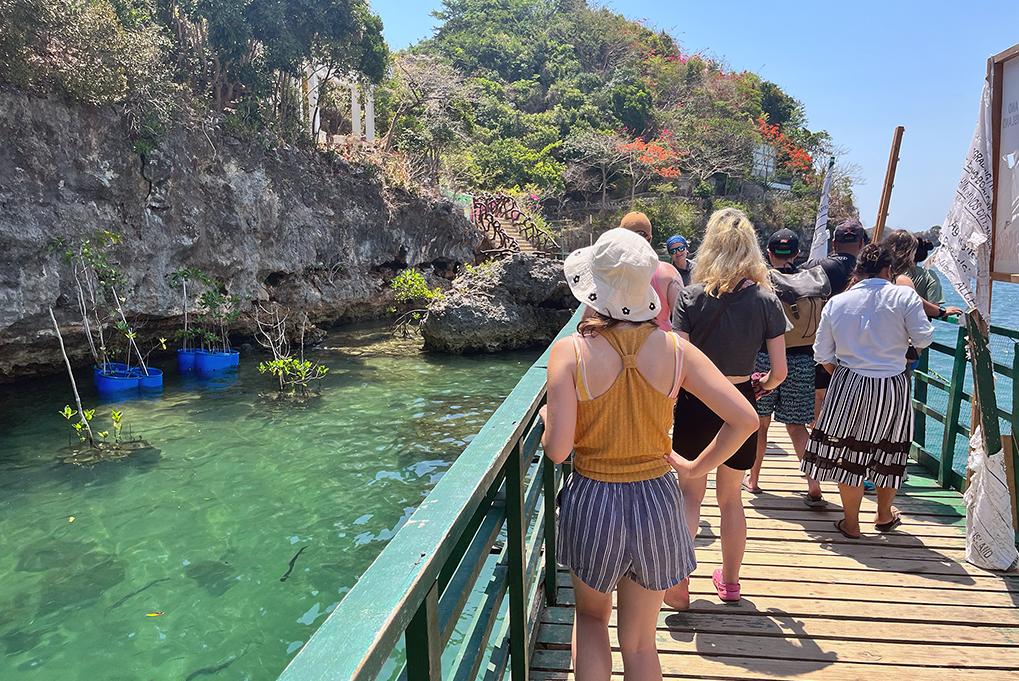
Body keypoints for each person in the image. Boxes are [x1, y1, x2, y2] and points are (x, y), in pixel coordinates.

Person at [540, 227, 758, 679]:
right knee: (640, 644)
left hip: (594, 498)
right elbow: (745, 419)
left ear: (594, 288)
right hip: (657, 501)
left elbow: (558, 452)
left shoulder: (570, 353)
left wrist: (548, 422)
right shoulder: (677, 350)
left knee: (591, 620)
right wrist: (696, 467)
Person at [666, 207, 788, 609]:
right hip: (741, 404)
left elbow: (677, 357)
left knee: (689, 494)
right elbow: (779, 372)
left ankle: (679, 584)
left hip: (694, 404)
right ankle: (731, 583)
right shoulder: (767, 301)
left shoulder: (689, 296)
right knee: (731, 499)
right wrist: (760, 384)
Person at [803, 244, 935, 538]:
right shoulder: (903, 296)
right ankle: (884, 515)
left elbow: (822, 352)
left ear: (858, 270)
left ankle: (851, 523)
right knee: (890, 449)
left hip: (848, 381)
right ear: (889, 270)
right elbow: (924, 338)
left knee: (849, 451)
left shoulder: (838, 303)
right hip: (892, 382)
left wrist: (842, 375)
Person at [746, 229, 825, 506]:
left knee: (761, 425)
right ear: (796, 253)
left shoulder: (760, 281)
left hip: (766, 358)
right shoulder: (812, 279)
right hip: (803, 361)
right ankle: (813, 485)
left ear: (768, 253)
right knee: (797, 426)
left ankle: (753, 480)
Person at [805, 219, 867, 423]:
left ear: (833, 244)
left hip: (818, 340)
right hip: (857, 343)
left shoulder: (814, 267)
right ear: (861, 244)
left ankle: (818, 440)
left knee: (819, 395)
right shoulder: (867, 273)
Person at [620, 212, 684, 330]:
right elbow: (683, 322)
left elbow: (586, 321)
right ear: (650, 240)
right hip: (661, 344)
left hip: (623, 346)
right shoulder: (668, 273)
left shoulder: (609, 273)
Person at [883, 230, 963, 320]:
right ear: (910, 253)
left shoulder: (878, 271)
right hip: (905, 329)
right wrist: (941, 311)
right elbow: (921, 303)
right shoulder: (926, 277)